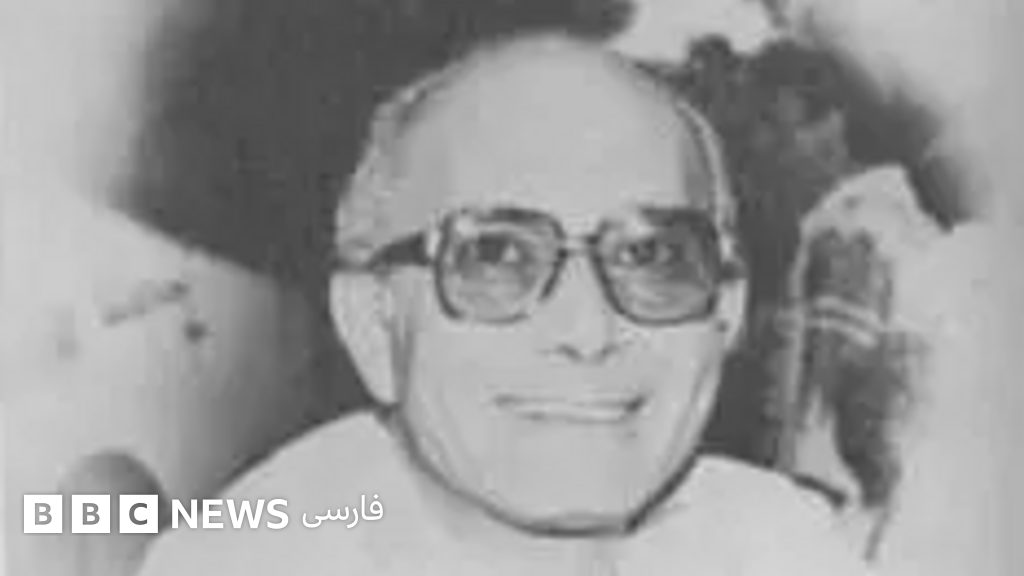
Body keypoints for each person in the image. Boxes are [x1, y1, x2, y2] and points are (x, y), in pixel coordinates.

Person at [136, 32, 871, 575]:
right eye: (496, 256)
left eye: (651, 256)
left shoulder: (780, 546)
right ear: (372, 325)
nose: (588, 330)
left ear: (725, 315)